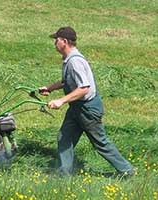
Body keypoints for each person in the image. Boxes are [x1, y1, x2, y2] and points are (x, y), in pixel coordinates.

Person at [39, 26, 134, 176]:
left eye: (56, 40)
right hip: (76, 107)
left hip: (87, 109)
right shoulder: (68, 59)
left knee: (100, 143)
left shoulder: (75, 61)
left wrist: (61, 101)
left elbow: (84, 88)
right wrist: (49, 88)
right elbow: (66, 81)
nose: (54, 43)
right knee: (64, 138)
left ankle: (127, 171)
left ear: (64, 41)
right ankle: (64, 175)